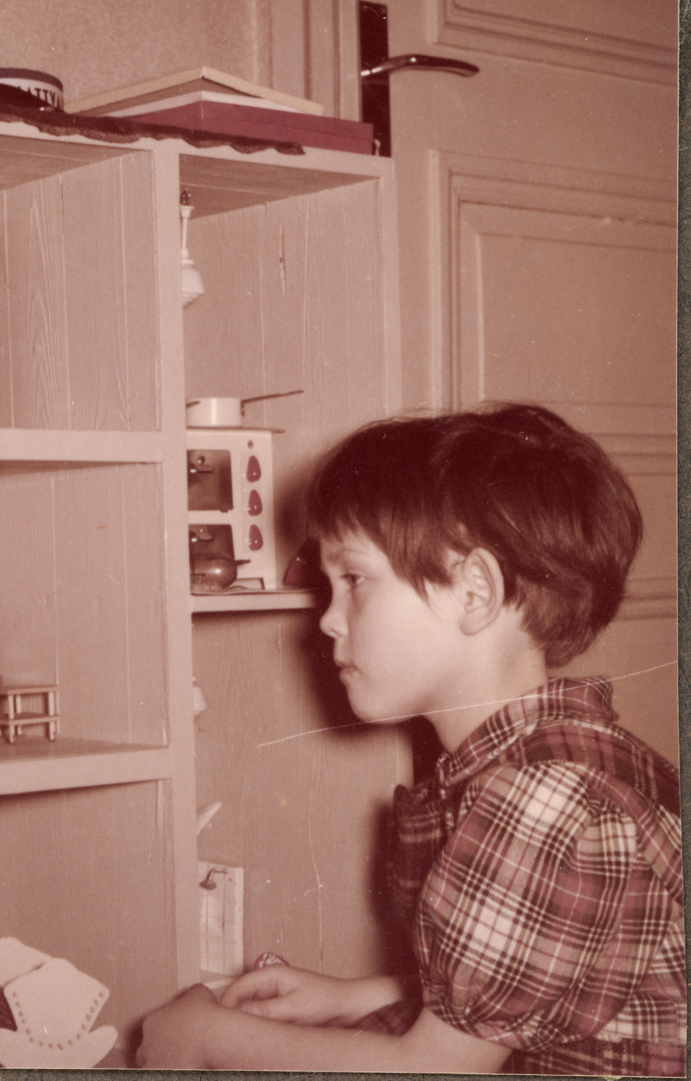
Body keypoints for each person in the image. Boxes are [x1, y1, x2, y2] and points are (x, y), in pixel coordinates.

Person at [137, 403, 685, 1074]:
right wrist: (355, 996)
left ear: (474, 591)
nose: (328, 620)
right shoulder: (541, 765)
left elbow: (437, 1070)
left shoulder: (544, 796)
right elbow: (546, 982)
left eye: (354, 579)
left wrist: (208, 1039)